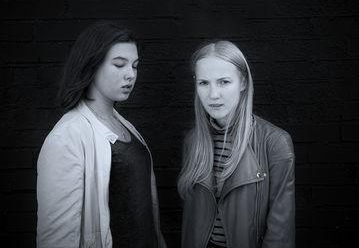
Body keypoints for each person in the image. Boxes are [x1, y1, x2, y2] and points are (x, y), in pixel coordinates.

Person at [36, 21, 167, 248]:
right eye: (119, 65)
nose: (130, 75)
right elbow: (56, 239)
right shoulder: (66, 138)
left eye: (135, 66)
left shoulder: (126, 127)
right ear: (91, 66)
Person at [178, 40, 295, 248]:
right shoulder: (193, 141)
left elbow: (280, 232)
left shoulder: (275, 143)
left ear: (243, 83)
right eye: (204, 83)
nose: (213, 95)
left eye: (224, 82)